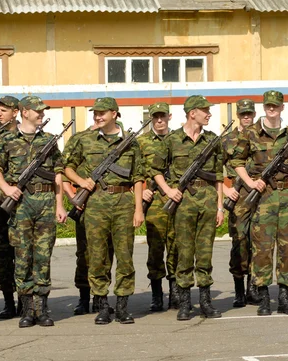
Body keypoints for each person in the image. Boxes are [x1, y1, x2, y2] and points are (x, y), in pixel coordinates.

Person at [65, 97, 144, 324]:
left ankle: (122, 306)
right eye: (95, 113)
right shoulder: (85, 140)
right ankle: (101, 305)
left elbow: (138, 177)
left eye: (102, 113)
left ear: (114, 114)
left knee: (125, 256)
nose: (98, 117)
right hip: (96, 203)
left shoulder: (130, 142)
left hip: (123, 201)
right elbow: (65, 166)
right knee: (97, 256)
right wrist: (81, 181)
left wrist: (138, 209)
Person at [0, 96, 68, 328]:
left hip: (45, 203)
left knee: (43, 257)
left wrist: (60, 204)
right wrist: (7, 188)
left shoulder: (48, 141)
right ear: (25, 112)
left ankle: (41, 309)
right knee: (23, 257)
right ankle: (26, 310)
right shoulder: (7, 140)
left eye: (43, 111)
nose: (41, 114)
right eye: (37, 111)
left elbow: (57, 174)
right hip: (21, 205)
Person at [231, 90, 288, 316]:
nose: (272, 109)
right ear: (264, 107)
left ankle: (284, 297)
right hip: (263, 199)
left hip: (286, 198)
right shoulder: (251, 133)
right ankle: (263, 297)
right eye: (268, 106)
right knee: (262, 248)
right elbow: (236, 161)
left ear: (282, 107)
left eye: (276, 106)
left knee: (287, 249)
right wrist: (250, 183)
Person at [151, 95, 224, 321]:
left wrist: (220, 206)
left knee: (205, 253)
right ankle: (184, 302)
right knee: (184, 252)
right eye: (204, 110)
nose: (208, 113)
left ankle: (205, 301)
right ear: (192, 113)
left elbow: (219, 176)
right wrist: (168, 190)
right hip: (183, 203)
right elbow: (155, 169)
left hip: (208, 200)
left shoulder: (212, 140)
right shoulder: (172, 140)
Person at [62, 120, 115, 316]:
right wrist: (73, 198)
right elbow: (64, 170)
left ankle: (101, 298)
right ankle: (84, 298)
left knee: (106, 252)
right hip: (84, 204)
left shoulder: (117, 140)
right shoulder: (79, 139)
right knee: (84, 253)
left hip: (106, 204)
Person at [138, 102, 178, 311]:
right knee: (155, 249)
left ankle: (175, 292)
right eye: (155, 117)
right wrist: (141, 190)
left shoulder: (178, 140)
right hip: (153, 201)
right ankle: (156, 293)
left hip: (176, 199)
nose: (159, 120)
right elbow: (133, 172)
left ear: (169, 117)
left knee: (176, 247)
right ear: (151, 118)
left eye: (163, 116)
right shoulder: (141, 142)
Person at [222, 99, 259, 307]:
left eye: (249, 114)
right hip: (238, 197)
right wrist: (226, 189)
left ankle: (252, 288)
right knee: (239, 241)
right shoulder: (228, 139)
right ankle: (238, 290)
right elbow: (215, 167)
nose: (246, 117)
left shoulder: (260, 137)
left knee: (257, 241)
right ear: (238, 115)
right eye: (243, 114)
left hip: (259, 195)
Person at [0, 96, 20, 319]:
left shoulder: (27, 136)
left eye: (4, 110)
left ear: (16, 112)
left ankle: (28, 300)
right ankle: (9, 301)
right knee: (3, 254)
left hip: (23, 204)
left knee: (26, 253)